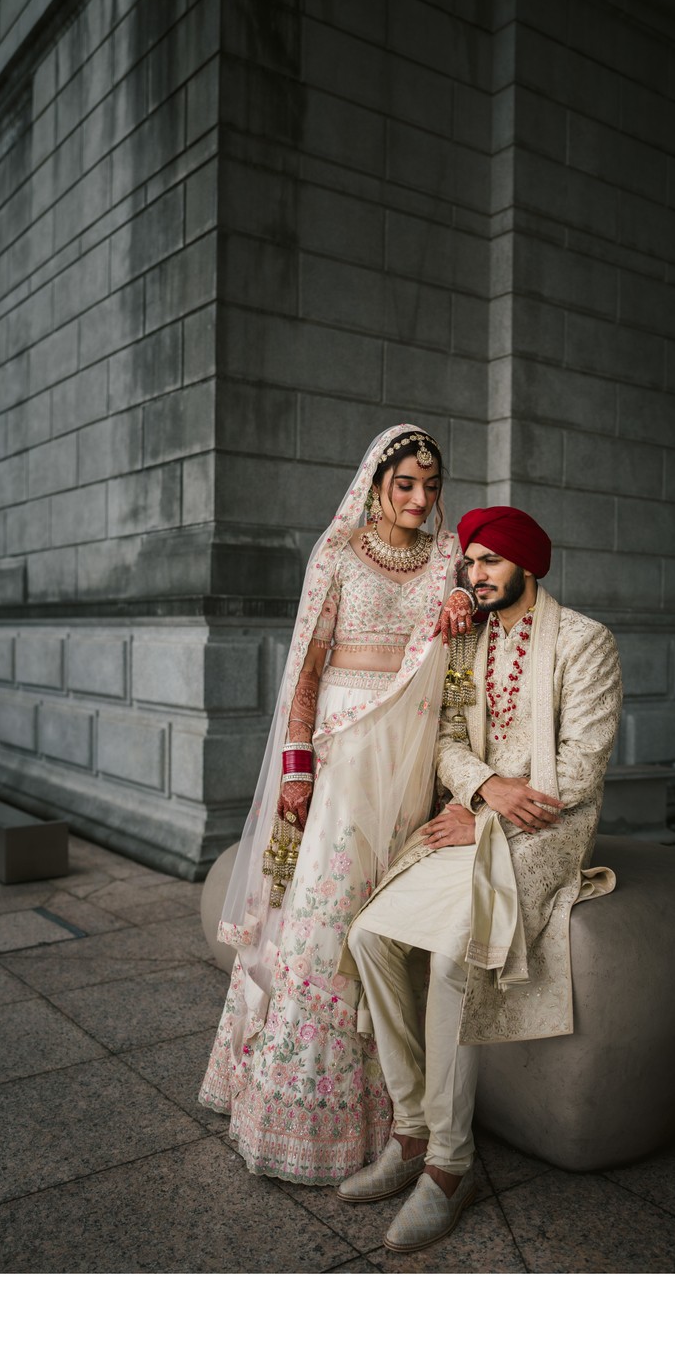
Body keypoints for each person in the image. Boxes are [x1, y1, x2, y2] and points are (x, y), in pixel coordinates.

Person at [338, 505, 623, 1251]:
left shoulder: (586, 642)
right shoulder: (467, 640)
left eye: (489, 561)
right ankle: (408, 1130)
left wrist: (494, 807)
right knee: (370, 934)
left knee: (460, 950)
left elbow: (582, 766)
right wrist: (481, 790)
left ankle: (448, 1163)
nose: (475, 575)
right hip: (482, 811)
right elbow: (444, 740)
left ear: (527, 562)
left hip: (548, 826)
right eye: (469, 563)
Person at [199, 424, 474, 1184]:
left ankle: (404, 1119)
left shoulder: (449, 560)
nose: (420, 500)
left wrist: (460, 598)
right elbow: (306, 670)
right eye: (405, 485)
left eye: (430, 486)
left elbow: (474, 626)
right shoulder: (338, 555)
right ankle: (299, 1109)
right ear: (376, 484)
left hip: (413, 756)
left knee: (394, 918)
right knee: (326, 912)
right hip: (344, 751)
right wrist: (295, 769)